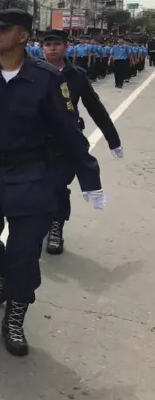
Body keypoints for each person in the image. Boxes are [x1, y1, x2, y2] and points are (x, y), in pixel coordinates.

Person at [0, 9, 105, 357]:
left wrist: (89, 177)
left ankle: (16, 313)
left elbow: (68, 132)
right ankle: (3, 274)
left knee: (25, 252)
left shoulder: (46, 79)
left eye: (3, 29)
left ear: (23, 36)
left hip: (30, 177)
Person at [41, 29, 122, 255]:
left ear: (65, 46)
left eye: (57, 44)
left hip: (65, 140)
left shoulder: (76, 75)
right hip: (35, 139)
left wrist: (112, 139)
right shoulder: (32, 72)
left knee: (58, 185)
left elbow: (95, 107)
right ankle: (39, 224)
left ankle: (56, 227)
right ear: (42, 48)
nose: (52, 48)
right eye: (48, 45)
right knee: (36, 186)